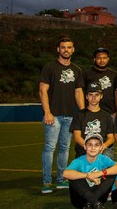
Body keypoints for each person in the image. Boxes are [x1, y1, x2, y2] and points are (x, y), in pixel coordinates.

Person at [40, 36, 85, 193]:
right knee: (50, 147)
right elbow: (42, 90)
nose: (66, 50)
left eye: (69, 47)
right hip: (53, 115)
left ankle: (61, 178)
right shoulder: (50, 67)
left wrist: (83, 113)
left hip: (70, 116)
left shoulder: (77, 70)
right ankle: (46, 182)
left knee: (65, 148)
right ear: (58, 49)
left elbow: (78, 92)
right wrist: (47, 112)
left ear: (73, 50)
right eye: (63, 47)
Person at [63, 134, 117, 209]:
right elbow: (65, 173)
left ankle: (91, 202)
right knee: (74, 176)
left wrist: (99, 173)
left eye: (96, 145)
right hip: (81, 199)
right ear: (85, 147)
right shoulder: (79, 160)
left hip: (98, 196)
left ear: (101, 148)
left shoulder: (103, 159)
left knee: (111, 173)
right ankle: (95, 203)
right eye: (90, 145)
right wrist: (87, 175)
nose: (93, 148)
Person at [70, 82, 115, 159]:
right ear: (86, 96)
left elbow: (111, 138)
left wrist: (103, 146)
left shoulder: (107, 116)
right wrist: (89, 147)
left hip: (101, 150)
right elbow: (77, 137)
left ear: (101, 96)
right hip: (84, 149)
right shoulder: (79, 115)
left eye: (96, 95)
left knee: (107, 155)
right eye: (91, 95)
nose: (93, 98)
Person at [83, 47, 117, 116]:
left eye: (104, 58)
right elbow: (81, 92)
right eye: (99, 58)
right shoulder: (86, 74)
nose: (102, 60)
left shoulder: (114, 75)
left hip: (110, 113)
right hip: (91, 113)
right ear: (94, 59)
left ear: (108, 59)